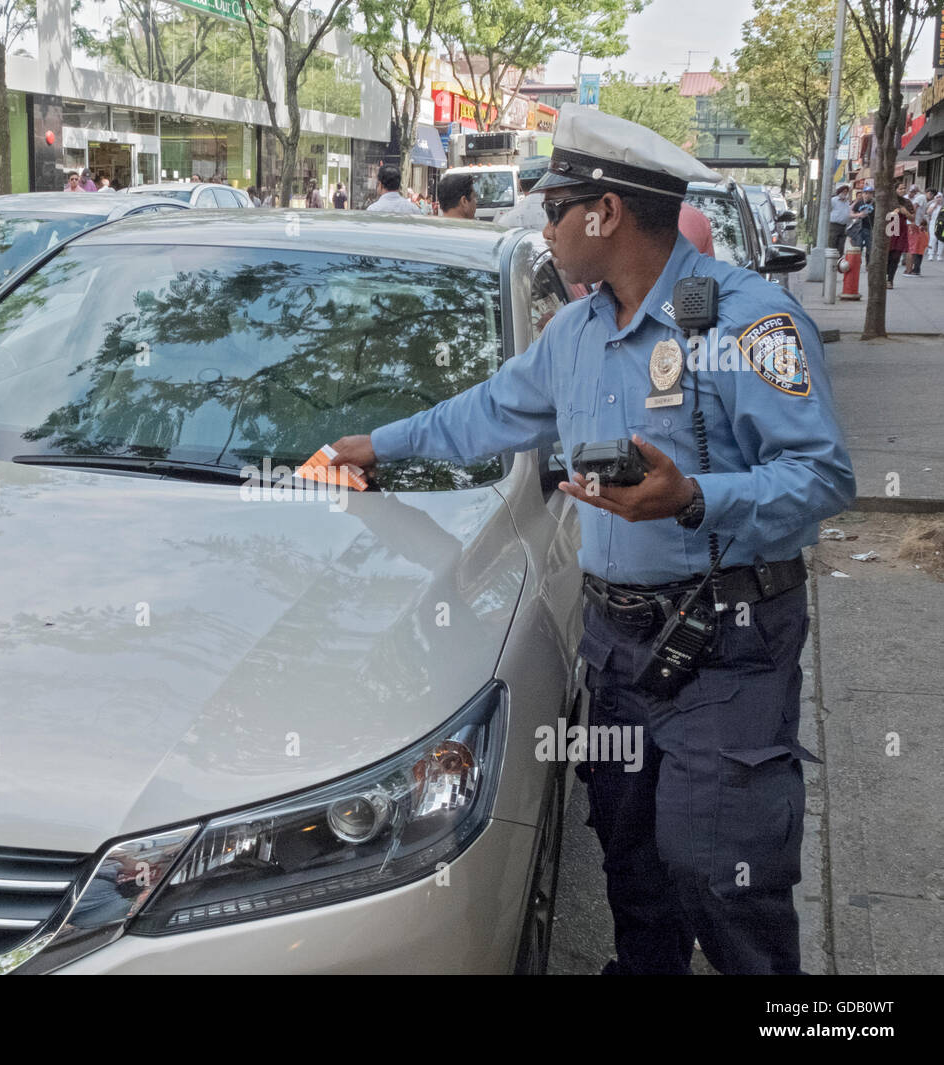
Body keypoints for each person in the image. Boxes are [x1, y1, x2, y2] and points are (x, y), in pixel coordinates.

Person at [328, 103, 855, 975]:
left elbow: (823, 476)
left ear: (602, 213)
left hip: (727, 645)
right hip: (614, 649)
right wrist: (376, 446)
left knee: (721, 870)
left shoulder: (747, 322)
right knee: (631, 858)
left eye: (553, 207)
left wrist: (693, 498)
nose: (544, 226)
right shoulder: (573, 333)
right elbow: (487, 413)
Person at [885, 185, 914, 288]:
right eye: (900, 189)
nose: (903, 190)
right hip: (890, 229)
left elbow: (912, 218)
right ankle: (885, 276)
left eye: (904, 188)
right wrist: (893, 213)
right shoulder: (888, 200)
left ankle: (890, 280)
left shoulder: (907, 202)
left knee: (896, 256)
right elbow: (882, 216)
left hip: (901, 230)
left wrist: (905, 212)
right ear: (895, 189)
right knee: (887, 256)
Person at [905, 183, 929, 275]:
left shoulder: (920, 197)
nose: (910, 194)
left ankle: (912, 269)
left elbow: (916, 210)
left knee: (915, 247)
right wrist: (913, 221)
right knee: (913, 247)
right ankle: (910, 269)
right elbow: (914, 208)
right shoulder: (921, 197)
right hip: (913, 225)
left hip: (915, 224)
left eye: (911, 192)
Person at [828, 183, 852, 254]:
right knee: (833, 245)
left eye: (846, 192)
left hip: (843, 227)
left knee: (841, 247)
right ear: (840, 191)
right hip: (834, 226)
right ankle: (831, 263)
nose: (845, 193)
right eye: (843, 191)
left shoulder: (847, 202)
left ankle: (838, 262)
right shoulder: (833, 200)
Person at [927, 189, 943, 262]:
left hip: (942, 225)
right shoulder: (932, 205)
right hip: (933, 223)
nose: (939, 199)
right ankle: (930, 254)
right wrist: (935, 204)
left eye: (940, 197)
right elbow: (928, 212)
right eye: (937, 197)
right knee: (933, 238)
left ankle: (939, 255)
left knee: (941, 240)